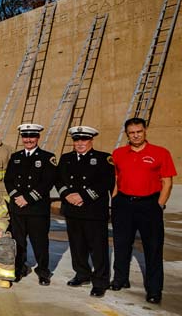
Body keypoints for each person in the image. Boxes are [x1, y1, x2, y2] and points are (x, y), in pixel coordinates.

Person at [111, 117, 177, 304]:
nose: (136, 135)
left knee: (153, 248)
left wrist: (160, 204)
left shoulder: (160, 153)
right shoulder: (118, 153)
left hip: (149, 205)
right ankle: (120, 279)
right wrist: (114, 200)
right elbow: (116, 178)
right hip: (123, 204)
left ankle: (154, 289)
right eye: (132, 133)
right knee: (121, 244)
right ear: (127, 134)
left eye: (139, 131)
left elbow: (167, 182)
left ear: (145, 130)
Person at [56, 126, 115, 297]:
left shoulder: (104, 158)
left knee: (98, 248)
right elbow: (58, 179)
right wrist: (67, 195)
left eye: (84, 139)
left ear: (91, 140)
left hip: (93, 210)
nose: (80, 143)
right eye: (77, 140)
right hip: (72, 209)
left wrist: (83, 196)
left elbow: (106, 182)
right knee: (77, 245)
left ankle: (100, 281)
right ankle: (82, 274)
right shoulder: (66, 158)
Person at [3, 124, 57, 285]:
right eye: (25, 136)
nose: (28, 140)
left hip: (37, 208)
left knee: (39, 242)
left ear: (38, 137)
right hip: (18, 208)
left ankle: (43, 271)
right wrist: (17, 197)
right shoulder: (16, 157)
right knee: (19, 242)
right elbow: (8, 180)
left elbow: (47, 182)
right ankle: (19, 268)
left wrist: (28, 198)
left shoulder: (47, 157)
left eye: (32, 136)